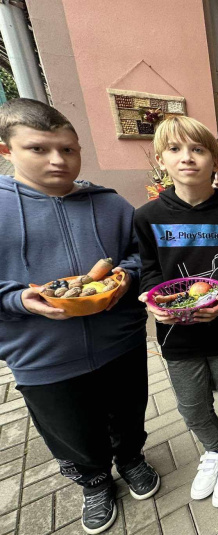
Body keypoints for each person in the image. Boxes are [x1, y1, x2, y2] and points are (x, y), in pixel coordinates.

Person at [0, 98, 158, 534]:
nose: (58, 159)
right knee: (69, 428)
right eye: (39, 148)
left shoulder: (110, 205)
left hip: (120, 342)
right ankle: (93, 481)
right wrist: (17, 300)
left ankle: (131, 459)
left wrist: (126, 276)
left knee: (128, 413)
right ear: (7, 150)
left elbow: (140, 255)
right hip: (42, 354)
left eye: (68, 149)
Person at [135, 116, 218, 508]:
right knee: (191, 406)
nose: (187, 157)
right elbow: (148, 270)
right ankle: (214, 449)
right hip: (177, 332)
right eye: (175, 149)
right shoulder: (148, 216)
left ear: (213, 160)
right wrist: (151, 299)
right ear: (161, 160)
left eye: (198, 149)